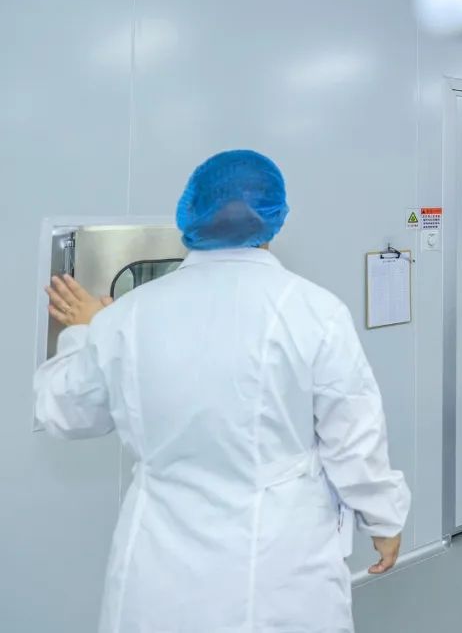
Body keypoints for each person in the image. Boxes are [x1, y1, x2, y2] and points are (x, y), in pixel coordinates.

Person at [34, 150, 411, 633]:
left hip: (159, 564)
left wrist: (85, 332)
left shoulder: (127, 316)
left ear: (189, 215)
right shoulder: (316, 312)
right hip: (279, 559)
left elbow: (64, 412)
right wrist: (383, 519)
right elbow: (353, 435)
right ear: (275, 220)